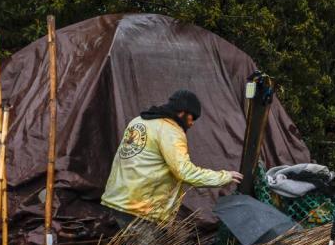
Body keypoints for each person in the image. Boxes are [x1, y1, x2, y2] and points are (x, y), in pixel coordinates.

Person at [102, 90, 243, 231]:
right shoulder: (170, 131)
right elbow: (185, 172)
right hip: (139, 209)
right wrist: (225, 177)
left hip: (117, 199)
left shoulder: (138, 121)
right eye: (192, 118)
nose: (192, 123)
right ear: (182, 113)